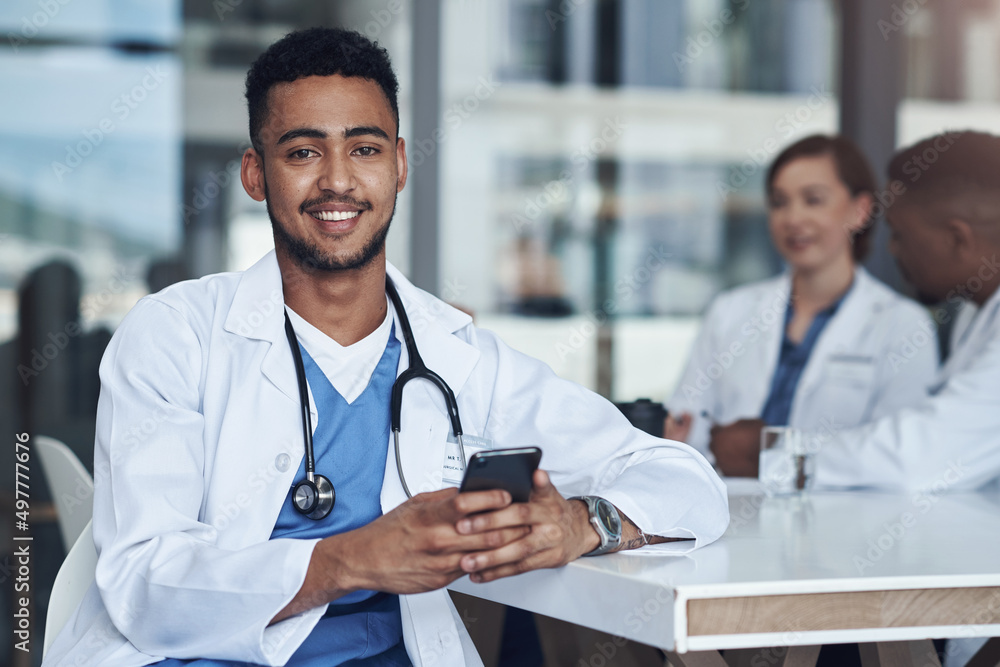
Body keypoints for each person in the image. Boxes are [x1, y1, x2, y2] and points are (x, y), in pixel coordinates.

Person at [43, 28, 728, 667]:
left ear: (400, 165)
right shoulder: (177, 334)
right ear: (256, 174)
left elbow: (688, 482)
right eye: (303, 151)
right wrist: (347, 560)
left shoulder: (457, 358)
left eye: (365, 149)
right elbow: (143, 582)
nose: (338, 180)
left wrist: (586, 522)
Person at [666, 135, 937, 476]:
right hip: (726, 511)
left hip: (843, 522)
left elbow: (900, 454)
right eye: (779, 202)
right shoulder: (730, 311)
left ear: (860, 210)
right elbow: (682, 429)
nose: (793, 218)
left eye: (813, 200)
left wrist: (770, 456)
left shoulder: (902, 325)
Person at [809, 130, 1000, 492]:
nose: (894, 250)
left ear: (957, 239)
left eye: (899, 234)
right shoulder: (973, 314)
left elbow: (923, 458)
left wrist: (784, 454)